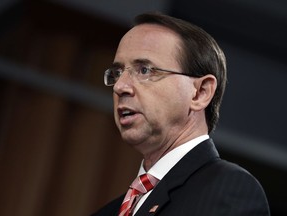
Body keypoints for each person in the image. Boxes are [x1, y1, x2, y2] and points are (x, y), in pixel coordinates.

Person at [92, 12, 270, 216]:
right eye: (117, 72)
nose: (120, 86)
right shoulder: (107, 212)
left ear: (200, 92)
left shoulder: (228, 189)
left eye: (144, 70)